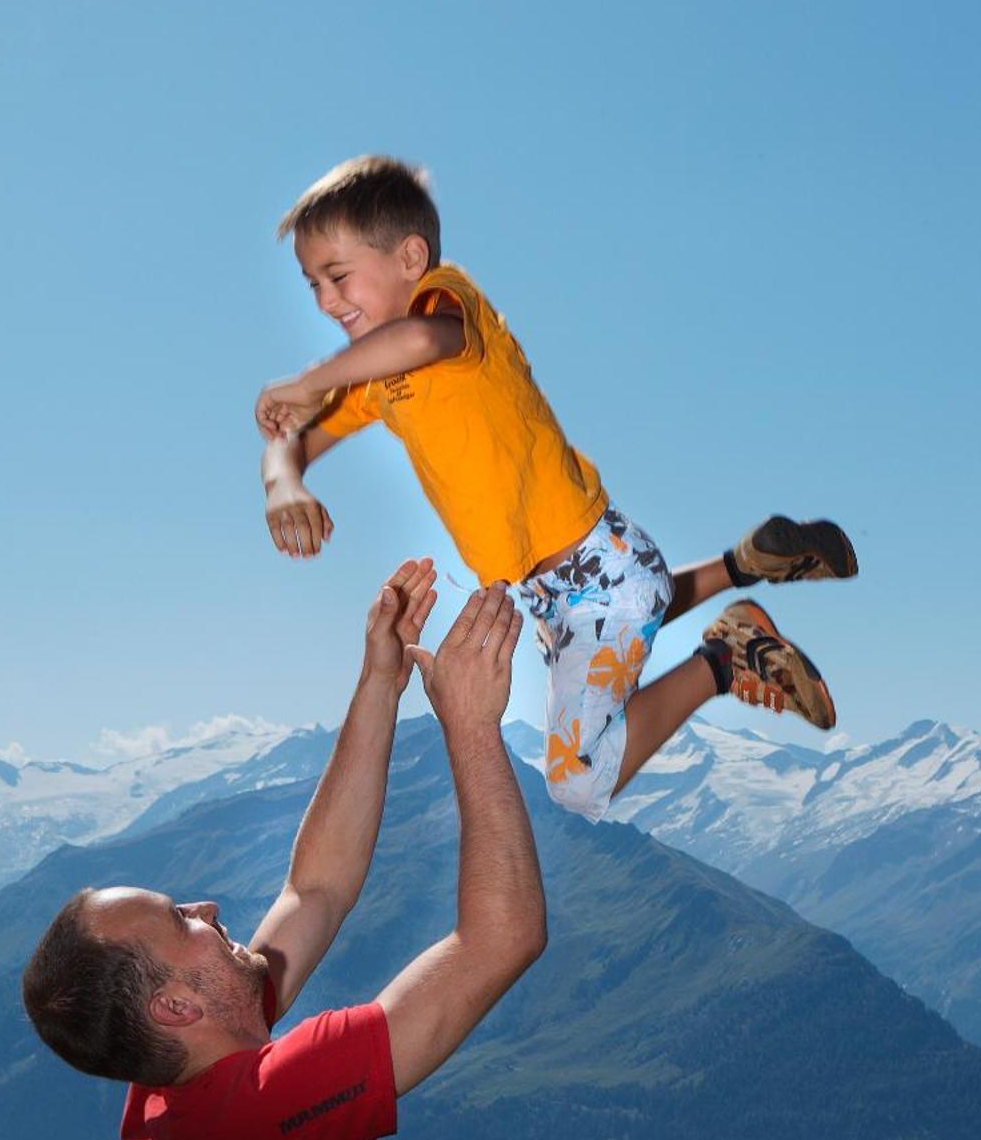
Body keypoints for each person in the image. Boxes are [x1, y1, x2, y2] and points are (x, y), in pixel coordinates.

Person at [254, 154, 858, 823]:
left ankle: (726, 655)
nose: (325, 301)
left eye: (337, 277)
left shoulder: (448, 305)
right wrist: (284, 482)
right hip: (573, 581)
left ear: (410, 256)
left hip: (598, 573)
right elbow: (296, 440)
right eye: (311, 284)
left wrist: (311, 382)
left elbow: (420, 339)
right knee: (624, 623)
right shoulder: (372, 380)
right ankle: (744, 563)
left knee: (578, 781)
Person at [22, 560, 545, 1140]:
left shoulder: (173, 1076)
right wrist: (472, 725)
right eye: (181, 919)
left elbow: (316, 888)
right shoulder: (265, 1113)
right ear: (176, 1007)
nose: (205, 906)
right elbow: (502, 938)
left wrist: (379, 681)